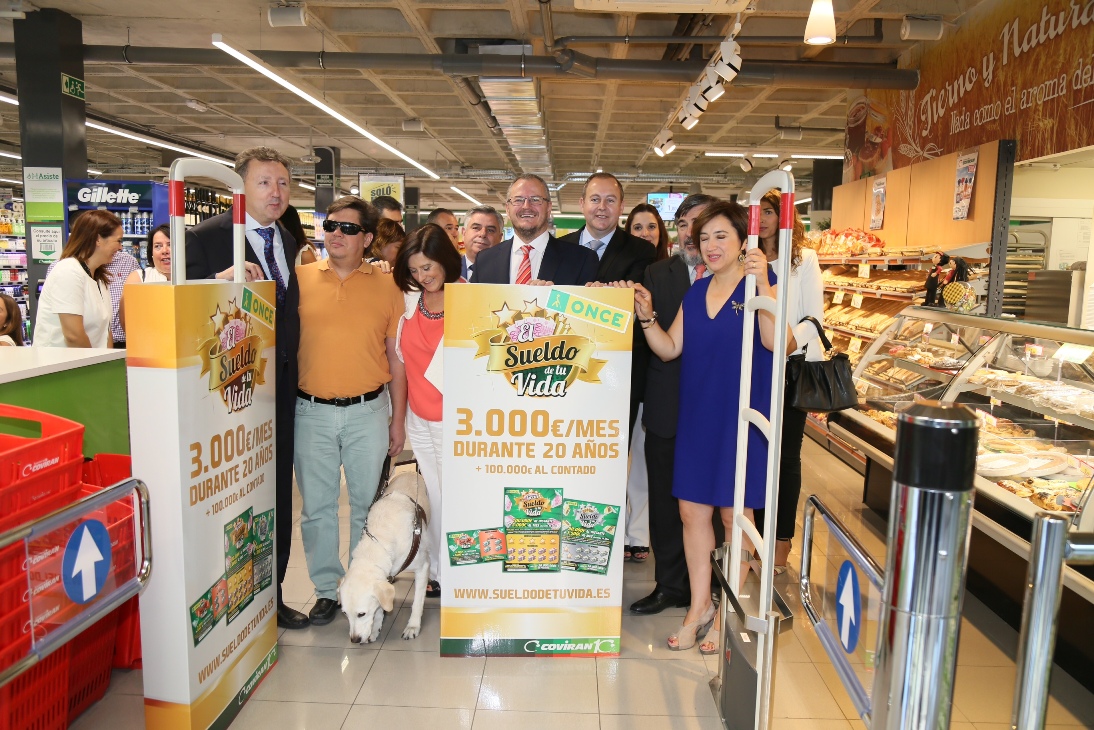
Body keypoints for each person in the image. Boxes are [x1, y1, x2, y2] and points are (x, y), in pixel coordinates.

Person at [627, 200, 793, 654]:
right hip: (698, 415)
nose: (711, 246)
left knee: (734, 516)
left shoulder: (763, 285)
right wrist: (647, 316)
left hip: (742, 418)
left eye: (721, 236)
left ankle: (726, 611)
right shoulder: (696, 292)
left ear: (743, 241)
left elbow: (778, 342)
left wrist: (764, 285)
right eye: (704, 238)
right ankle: (699, 607)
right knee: (691, 513)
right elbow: (669, 348)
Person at [185, 146, 307, 630]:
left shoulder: (290, 239)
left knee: (277, 491)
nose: (276, 192)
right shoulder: (205, 238)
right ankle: (233, 602)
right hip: (234, 392)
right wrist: (220, 281)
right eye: (264, 182)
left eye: (283, 183)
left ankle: (271, 597)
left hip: (284, 389)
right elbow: (182, 311)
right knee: (237, 495)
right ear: (239, 188)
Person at [295, 196, 407, 625]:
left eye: (347, 228)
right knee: (317, 508)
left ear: (367, 237)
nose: (336, 234)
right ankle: (327, 589)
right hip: (311, 412)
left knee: (367, 506)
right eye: (330, 226)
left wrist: (398, 420)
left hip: (368, 411)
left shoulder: (389, 286)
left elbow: (396, 358)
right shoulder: (299, 280)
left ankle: (364, 582)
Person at [628, 193, 716, 616]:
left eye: (699, 223)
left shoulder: (735, 277)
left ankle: (711, 588)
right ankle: (670, 585)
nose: (690, 233)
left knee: (713, 502)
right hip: (667, 402)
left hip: (715, 405)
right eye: (682, 224)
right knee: (664, 501)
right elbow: (650, 339)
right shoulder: (656, 272)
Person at [751, 189, 823, 574]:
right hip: (754, 368)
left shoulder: (803, 259)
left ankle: (780, 541)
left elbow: (815, 317)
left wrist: (788, 342)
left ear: (785, 216)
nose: (763, 219)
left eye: (770, 211)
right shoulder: (749, 258)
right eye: (758, 212)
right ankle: (755, 535)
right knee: (756, 453)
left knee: (785, 457)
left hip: (791, 369)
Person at [392, 223, 463, 599]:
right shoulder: (409, 301)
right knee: (433, 494)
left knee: (454, 495)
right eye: (414, 269)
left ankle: (455, 573)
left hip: (457, 421)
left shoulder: (469, 298)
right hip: (420, 418)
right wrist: (399, 420)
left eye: (428, 267)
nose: (422, 276)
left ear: (445, 260)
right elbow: (402, 364)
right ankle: (436, 569)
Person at [471, 173, 598, 286]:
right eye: (518, 200)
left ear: (548, 208)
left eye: (535, 200)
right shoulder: (484, 260)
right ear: (508, 209)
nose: (526, 206)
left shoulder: (582, 260)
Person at [34, 210, 121, 348]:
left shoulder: (98, 278)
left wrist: (108, 358)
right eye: (118, 241)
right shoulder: (68, 271)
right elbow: (73, 335)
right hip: (61, 360)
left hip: (91, 360)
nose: (120, 247)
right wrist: (94, 360)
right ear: (98, 239)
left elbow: (106, 330)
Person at [558, 173, 656, 284]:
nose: (602, 207)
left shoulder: (641, 251)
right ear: (582, 204)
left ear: (621, 207)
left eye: (610, 200)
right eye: (595, 199)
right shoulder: (557, 248)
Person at [119, 224, 172, 334]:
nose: (165, 251)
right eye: (158, 246)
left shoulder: (194, 278)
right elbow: (126, 323)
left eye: (170, 245)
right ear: (151, 253)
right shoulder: (138, 278)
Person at [460, 205, 503, 280]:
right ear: (464, 233)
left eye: (490, 230)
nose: (483, 234)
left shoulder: (509, 272)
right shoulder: (446, 271)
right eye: (476, 228)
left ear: (500, 238)